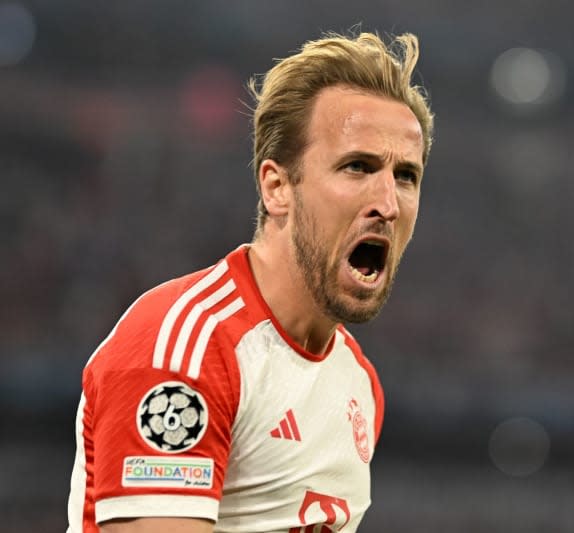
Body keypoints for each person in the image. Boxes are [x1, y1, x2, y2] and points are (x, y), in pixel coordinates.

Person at [66, 30, 434, 533]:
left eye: (406, 176)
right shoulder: (183, 350)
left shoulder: (359, 383)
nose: (388, 204)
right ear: (277, 186)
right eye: (357, 167)